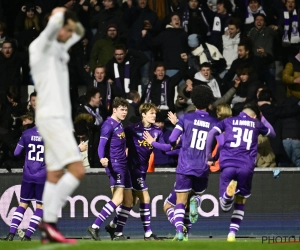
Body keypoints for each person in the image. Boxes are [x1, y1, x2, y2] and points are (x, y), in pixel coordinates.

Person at [28, 8, 85, 243]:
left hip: (58, 118)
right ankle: (48, 221)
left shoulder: (60, 47)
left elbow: (80, 32)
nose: (70, 33)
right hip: (51, 116)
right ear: (57, 25)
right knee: (77, 170)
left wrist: (70, 16)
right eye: (66, 28)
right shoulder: (39, 46)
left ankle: (47, 230)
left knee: (54, 174)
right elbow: (53, 26)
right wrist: (59, 13)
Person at [206, 107, 276, 242]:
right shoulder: (256, 123)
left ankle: (227, 195)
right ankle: (232, 234)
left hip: (228, 165)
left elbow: (212, 134)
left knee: (225, 206)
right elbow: (272, 133)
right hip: (246, 167)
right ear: (253, 116)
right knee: (241, 201)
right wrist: (262, 118)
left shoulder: (228, 121)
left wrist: (210, 156)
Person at [160, 85, 219, 241]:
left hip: (185, 166)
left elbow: (172, 139)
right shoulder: (215, 122)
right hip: (202, 167)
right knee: (195, 196)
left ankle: (180, 231)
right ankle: (196, 202)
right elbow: (221, 143)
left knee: (178, 202)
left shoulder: (186, 117)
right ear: (209, 102)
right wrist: (213, 157)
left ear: (193, 100)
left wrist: (176, 141)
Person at [106, 103, 170, 240]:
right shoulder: (132, 129)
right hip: (131, 169)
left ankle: (113, 226)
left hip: (142, 170)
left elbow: (166, 148)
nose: (154, 115)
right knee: (145, 198)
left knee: (130, 202)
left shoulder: (157, 131)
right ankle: (147, 234)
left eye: (154, 113)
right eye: (151, 113)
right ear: (143, 114)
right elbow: (118, 142)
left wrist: (153, 142)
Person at [87, 97, 133, 241]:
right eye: (122, 110)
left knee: (129, 201)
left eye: (126, 110)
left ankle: (114, 228)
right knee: (118, 199)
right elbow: (101, 146)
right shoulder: (108, 125)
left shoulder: (119, 124)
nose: (124, 112)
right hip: (115, 165)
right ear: (114, 110)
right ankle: (95, 226)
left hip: (124, 165)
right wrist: (102, 158)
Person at [1, 124, 45, 241]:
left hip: (27, 174)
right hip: (42, 176)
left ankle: (11, 234)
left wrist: (26, 158)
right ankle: (27, 236)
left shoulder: (27, 133)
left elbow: (16, 153)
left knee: (23, 204)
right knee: (40, 206)